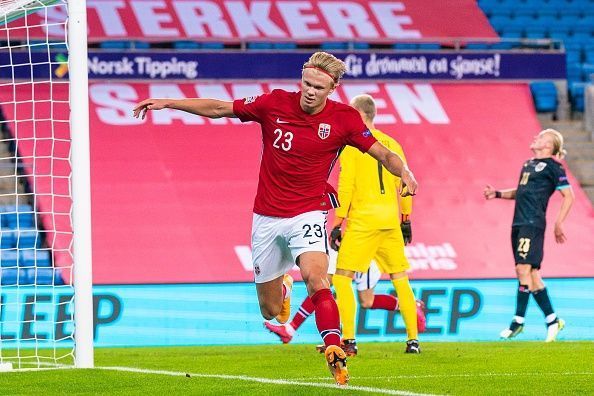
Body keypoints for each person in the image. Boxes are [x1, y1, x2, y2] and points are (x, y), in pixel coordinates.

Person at [132, 52, 418, 385]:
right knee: (269, 311)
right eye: (307, 83)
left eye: (319, 87)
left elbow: (382, 153)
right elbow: (220, 108)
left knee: (317, 278)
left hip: (308, 212)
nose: (310, 91)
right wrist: (168, 102)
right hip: (266, 218)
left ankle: (333, 347)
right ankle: (284, 285)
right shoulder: (275, 104)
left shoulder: (345, 119)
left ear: (333, 88)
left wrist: (406, 172)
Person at [330, 94, 422, 354]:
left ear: (358, 114)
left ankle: (348, 340)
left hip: (363, 222)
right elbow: (405, 182)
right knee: (400, 278)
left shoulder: (351, 145)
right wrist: (406, 219)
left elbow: (345, 184)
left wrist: (338, 221)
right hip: (389, 221)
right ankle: (413, 340)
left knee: (342, 278)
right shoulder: (392, 143)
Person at [484, 129, 574, 342]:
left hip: (533, 224)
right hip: (518, 223)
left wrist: (558, 222)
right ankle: (553, 320)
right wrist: (497, 194)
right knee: (531, 275)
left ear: (549, 146)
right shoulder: (528, 164)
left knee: (522, 268)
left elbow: (568, 196)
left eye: (542, 137)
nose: (536, 138)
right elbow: (520, 191)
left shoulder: (554, 168)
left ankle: (517, 322)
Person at [264, 258, 427, 355]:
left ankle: (347, 341)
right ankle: (293, 329)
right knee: (322, 285)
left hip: (364, 251)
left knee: (363, 299)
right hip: (348, 245)